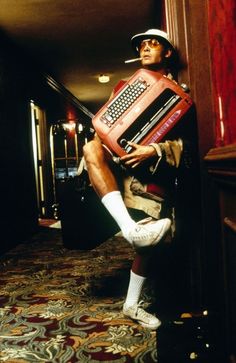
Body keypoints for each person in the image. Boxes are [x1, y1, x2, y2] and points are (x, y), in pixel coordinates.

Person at [83, 29, 188, 330]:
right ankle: (129, 229)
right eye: (141, 46)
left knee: (149, 243)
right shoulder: (123, 88)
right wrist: (105, 144)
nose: (144, 49)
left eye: (152, 44)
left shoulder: (180, 91)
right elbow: (104, 132)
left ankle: (132, 304)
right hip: (119, 169)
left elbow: (187, 143)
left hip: (153, 173)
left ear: (167, 52)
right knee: (90, 147)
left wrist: (151, 150)